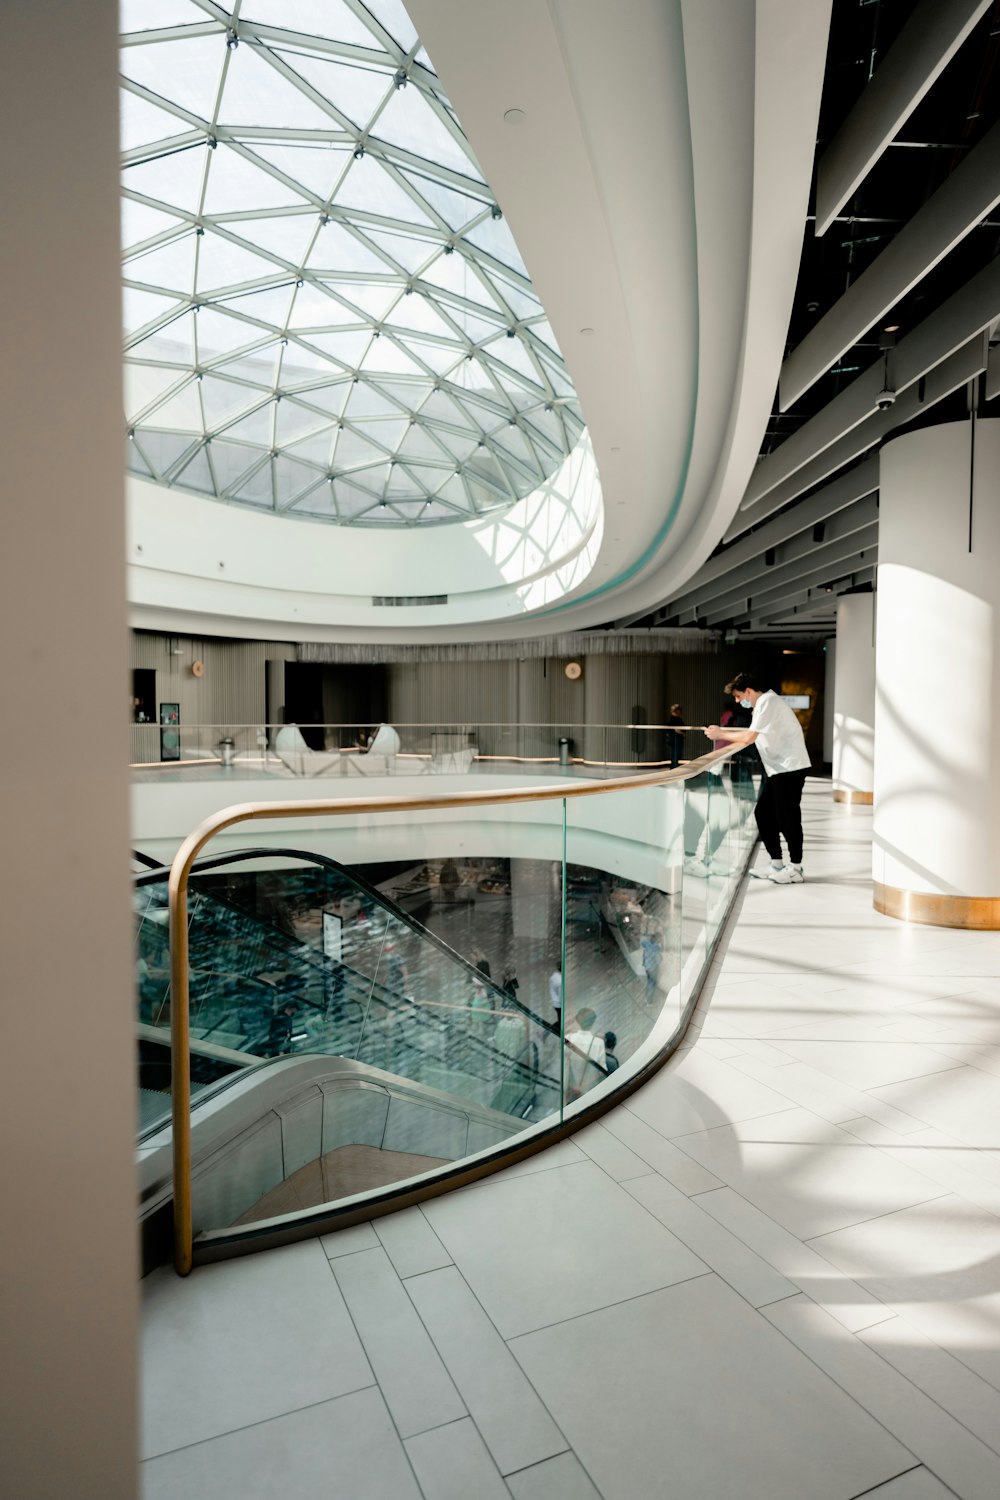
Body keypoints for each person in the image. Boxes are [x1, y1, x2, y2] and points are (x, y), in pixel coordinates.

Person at [705, 671, 811, 883]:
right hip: (778, 769)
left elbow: (749, 737)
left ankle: (796, 868)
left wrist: (720, 734)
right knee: (763, 813)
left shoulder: (767, 702)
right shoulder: (762, 705)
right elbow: (752, 734)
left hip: (789, 768)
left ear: (748, 691)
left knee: (787, 816)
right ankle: (776, 863)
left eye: (738, 696)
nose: (737, 701)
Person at [565, 1007, 607, 1097]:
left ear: (578, 1021)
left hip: (572, 1092)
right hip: (592, 1093)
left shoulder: (569, 1038)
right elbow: (602, 1071)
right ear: (593, 1022)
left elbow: (565, 1067)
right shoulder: (598, 1043)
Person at [667, 703, 685, 769]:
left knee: (677, 754)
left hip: (678, 739)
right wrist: (681, 733)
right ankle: (673, 767)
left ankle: (674, 766)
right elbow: (673, 729)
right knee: (675, 754)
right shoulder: (673, 719)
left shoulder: (678, 719)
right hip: (675, 739)